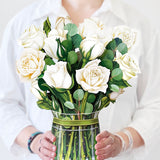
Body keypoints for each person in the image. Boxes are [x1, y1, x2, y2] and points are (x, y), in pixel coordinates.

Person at [0, 0, 160, 160]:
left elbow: (155, 103)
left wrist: (122, 141)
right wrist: (34, 140)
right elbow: (5, 102)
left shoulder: (139, 25)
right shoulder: (23, 23)